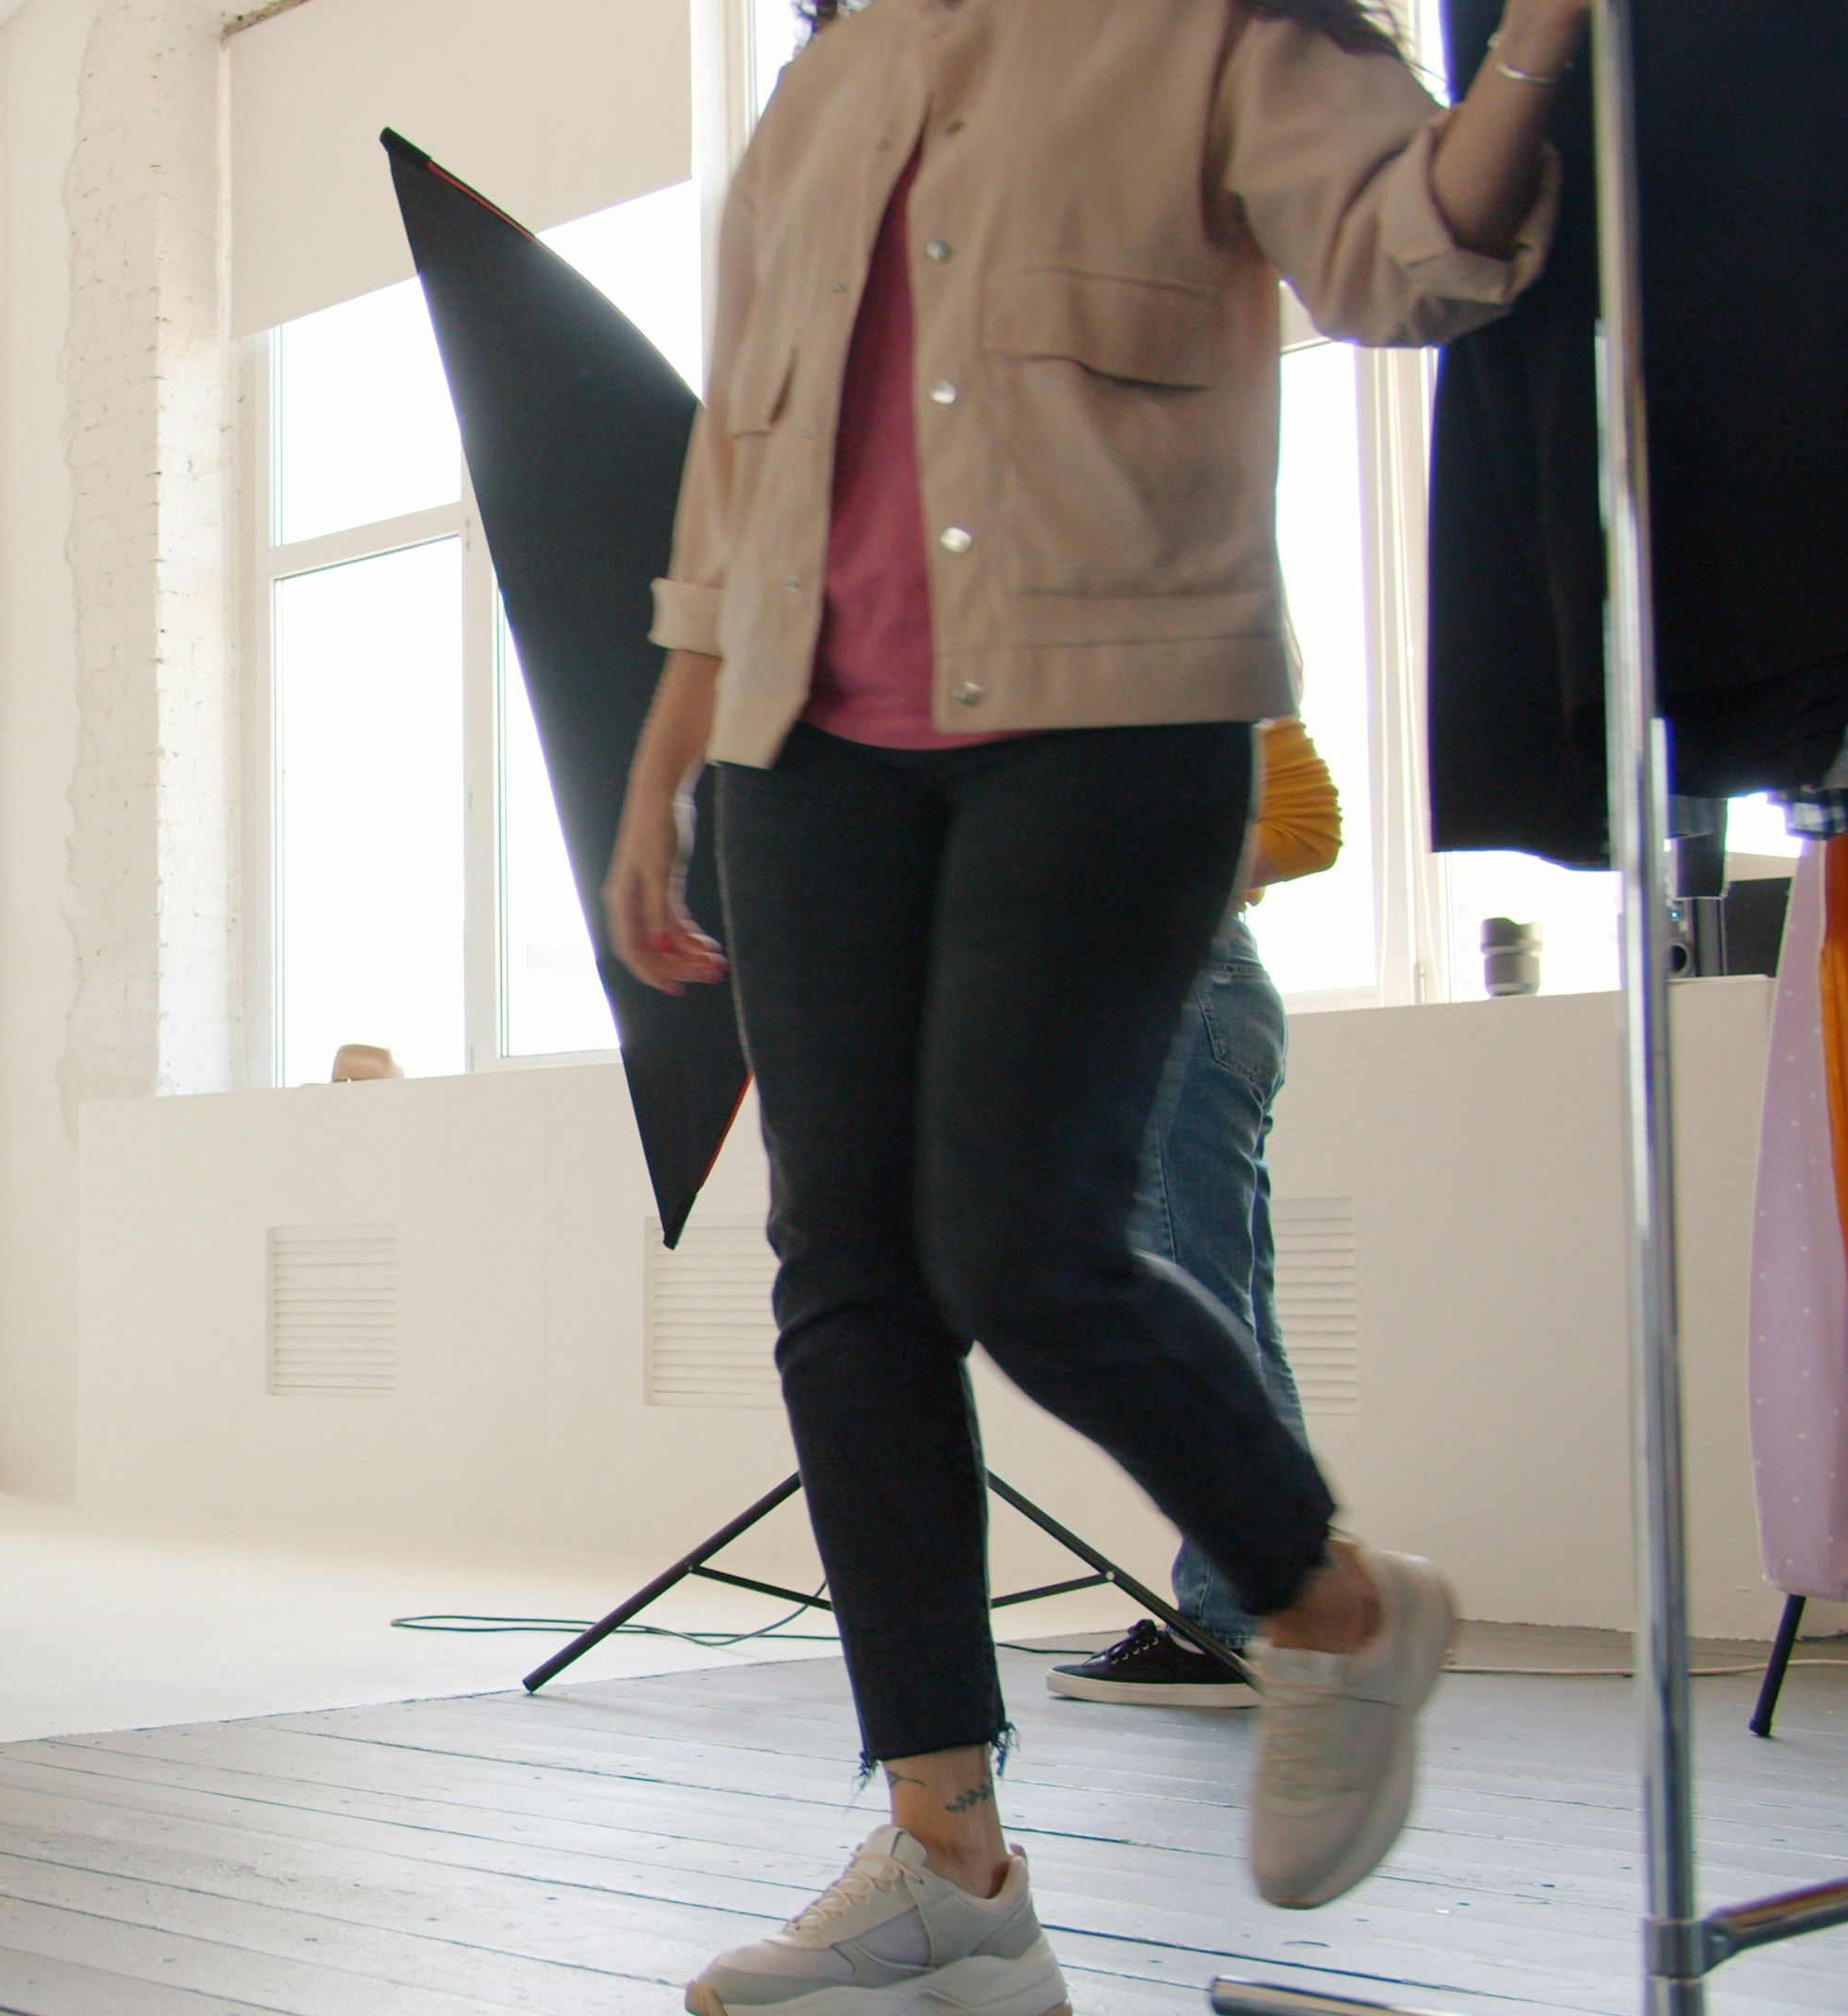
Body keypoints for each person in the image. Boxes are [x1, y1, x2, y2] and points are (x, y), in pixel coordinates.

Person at [598, 0, 1588, 2006]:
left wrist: (1542, 33)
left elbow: (1410, 255)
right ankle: (948, 1863)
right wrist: (665, 762)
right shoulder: (822, 85)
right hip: (808, 753)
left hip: (1113, 716)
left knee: (1021, 1249)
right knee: (846, 1278)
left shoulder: (1206, 29)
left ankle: (1329, 1605)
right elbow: (741, 467)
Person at [1057, 717, 1342, 1707]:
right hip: (1184, 995)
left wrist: (1117, 867)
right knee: (1230, 1315)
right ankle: (1283, 1614)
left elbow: (1308, 828)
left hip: (1184, 993)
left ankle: (1233, 1623)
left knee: (1198, 1311)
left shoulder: (1189, 674)